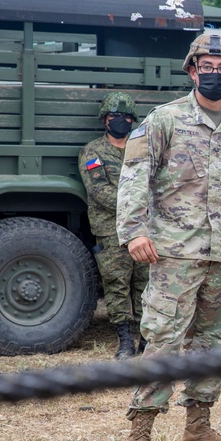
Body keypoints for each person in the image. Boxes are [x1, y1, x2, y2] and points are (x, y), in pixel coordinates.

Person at [115, 32, 221, 441]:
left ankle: (198, 427)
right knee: (163, 341)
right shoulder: (164, 120)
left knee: (213, 345)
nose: (215, 73)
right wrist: (133, 232)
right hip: (172, 255)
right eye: (207, 66)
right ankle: (139, 437)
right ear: (192, 69)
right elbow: (134, 178)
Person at [78, 92, 149, 359]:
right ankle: (125, 341)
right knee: (116, 285)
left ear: (133, 120)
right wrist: (135, 204)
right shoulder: (93, 151)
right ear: (104, 120)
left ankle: (145, 339)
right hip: (111, 231)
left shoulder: (142, 148)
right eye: (113, 116)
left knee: (145, 285)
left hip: (144, 229)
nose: (120, 120)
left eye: (125, 116)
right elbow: (98, 191)